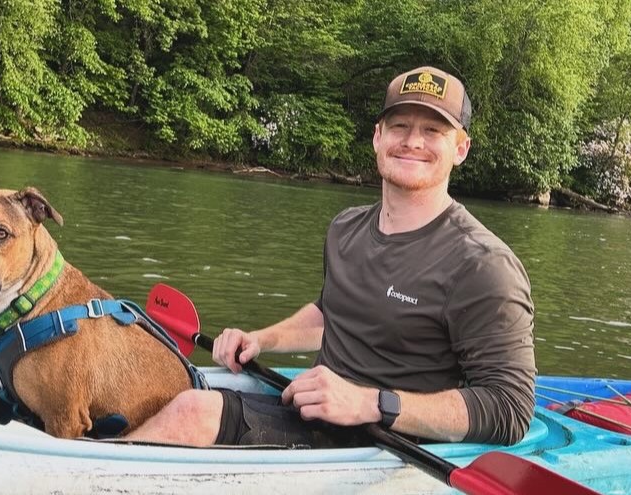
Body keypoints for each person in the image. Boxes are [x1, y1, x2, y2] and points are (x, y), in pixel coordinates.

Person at [126, 66, 536, 448]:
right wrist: (260, 339)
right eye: (400, 126)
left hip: (389, 441)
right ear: (378, 136)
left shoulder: (483, 265)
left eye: (433, 130)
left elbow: (510, 408)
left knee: (193, 412)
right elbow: (331, 314)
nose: (412, 141)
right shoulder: (347, 228)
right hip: (312, 416)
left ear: (460, 148)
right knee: (158, 392)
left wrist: (372, 403)